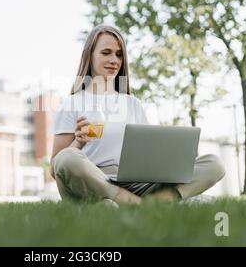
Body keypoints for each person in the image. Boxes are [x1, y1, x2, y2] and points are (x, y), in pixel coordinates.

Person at [50, 25, 225, 205]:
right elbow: (56, 167)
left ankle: (149, 201)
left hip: (135, 183)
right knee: (67, 157)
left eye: (119, 54)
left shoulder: (132, 104)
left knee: (214, 164)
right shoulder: (72, 103)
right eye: (106, 52)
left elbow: (148, 153)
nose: (114, 60)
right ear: (90, 55)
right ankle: (144, 204)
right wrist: (79, 142)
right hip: (95, 181)